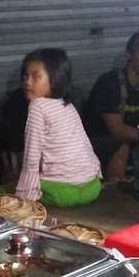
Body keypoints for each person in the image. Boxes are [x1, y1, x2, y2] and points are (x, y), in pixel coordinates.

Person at [16, 48, 101, 206]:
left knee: (3, 190)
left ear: (55, 79)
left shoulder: (37, 106)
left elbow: (31, 156)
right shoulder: (67, 104)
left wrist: (25, 195)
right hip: (92, 186)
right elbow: (86, 144)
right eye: (25, 75)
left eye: (36, 76)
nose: (28, 82)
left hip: (61, 193)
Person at [83, 26, 139, 181]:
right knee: (122, 145)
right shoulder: (109, 82)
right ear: (129, 54)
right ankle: (114, 196)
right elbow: (117, 130)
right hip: (96, 144)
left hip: (133, 140)